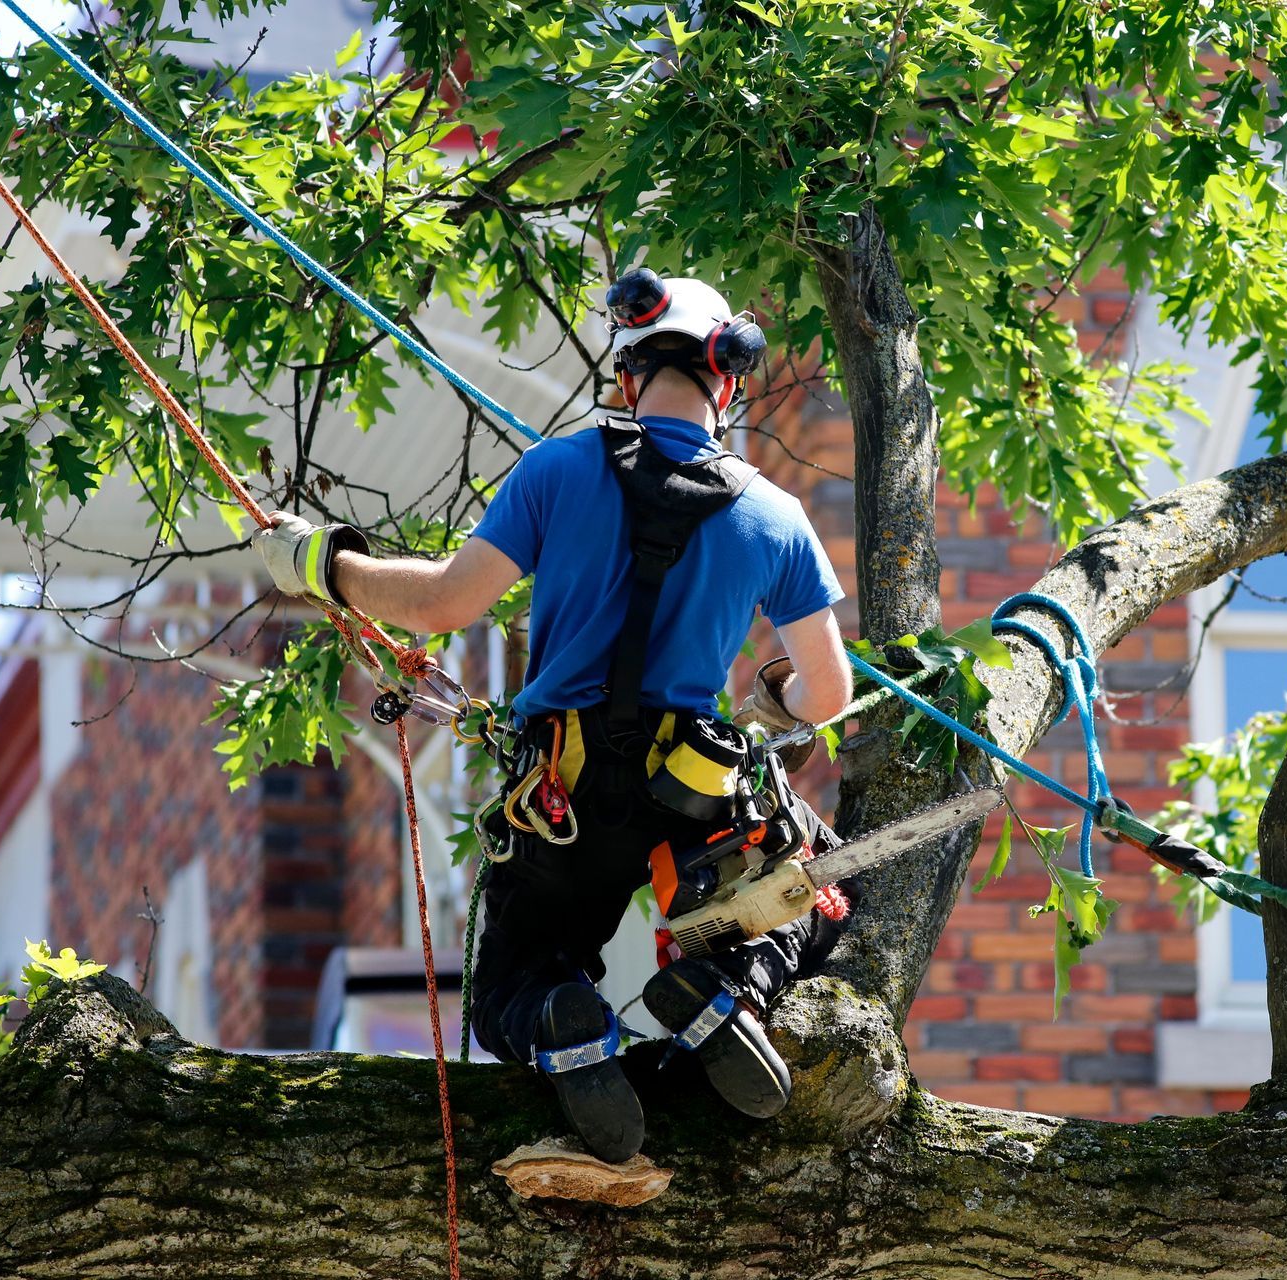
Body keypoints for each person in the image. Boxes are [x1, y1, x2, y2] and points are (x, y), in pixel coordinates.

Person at [255, 270, 853, 1163]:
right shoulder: (775, 515)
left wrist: (323, 563)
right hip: (690, 796)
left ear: (627, 377)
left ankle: (560, 1018)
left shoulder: (558, 469)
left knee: (508, 982)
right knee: (815, 883)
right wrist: (775, 702)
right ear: (727, 382)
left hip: (561, 797)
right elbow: (828, 693)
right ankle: (723, 990)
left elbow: (447, 603)